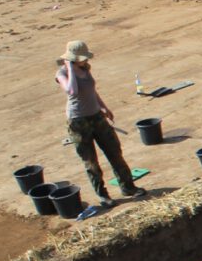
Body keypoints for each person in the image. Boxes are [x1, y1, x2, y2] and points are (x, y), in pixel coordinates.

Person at [54, 41, 143, 208]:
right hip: (79, 121)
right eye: (80, 59)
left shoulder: (86, 69)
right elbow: (72, 91)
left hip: (96, 116)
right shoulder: (62, 73)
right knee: (91, 162)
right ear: (72, 59)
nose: (85, 61)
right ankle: (103, 195)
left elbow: (92, 91)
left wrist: (103, 107)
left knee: (114, 152)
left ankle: (128, 187)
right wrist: (71, 69)